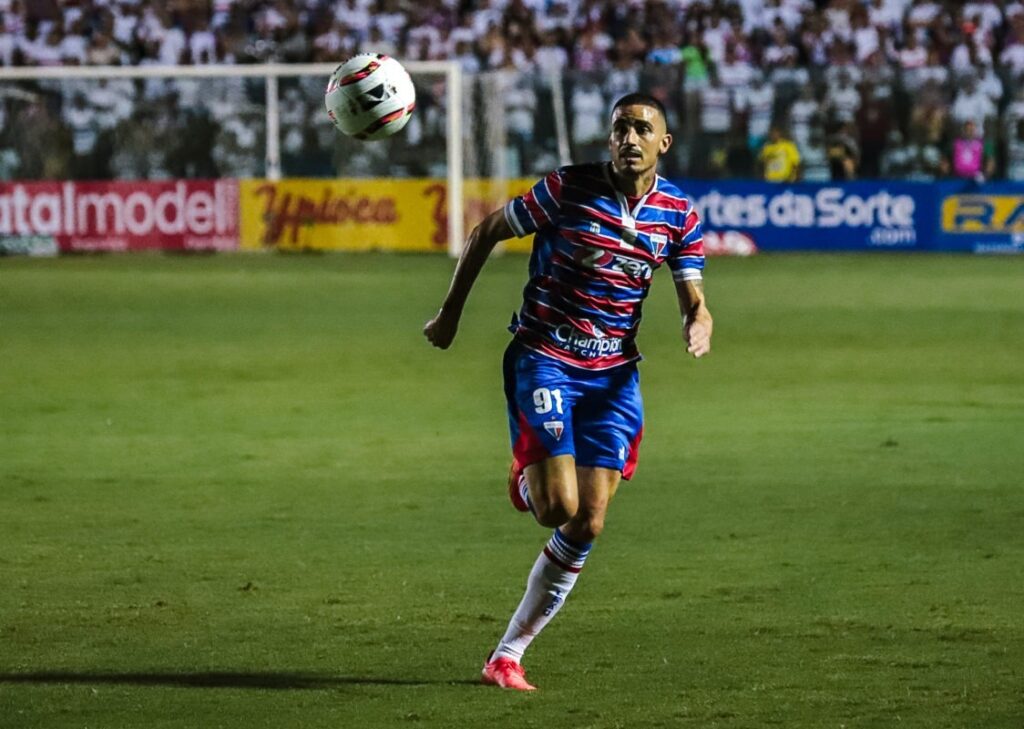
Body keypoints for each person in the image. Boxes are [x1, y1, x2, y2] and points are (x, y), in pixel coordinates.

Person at [423, 92, 712, 691]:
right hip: (545, 359)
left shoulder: (678, 212)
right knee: (557, 508)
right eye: (619, 129)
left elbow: (692, 290)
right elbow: (484, 232)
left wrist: (698, 320)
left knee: (590, 521)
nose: (628, 138)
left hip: (614, 378)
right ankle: (528, 477)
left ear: (664, 143)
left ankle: (507, 655)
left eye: (641, 129)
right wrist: (449, 314)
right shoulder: (566, 189)